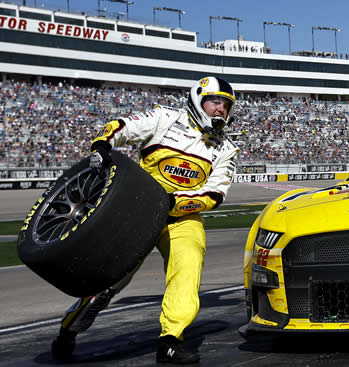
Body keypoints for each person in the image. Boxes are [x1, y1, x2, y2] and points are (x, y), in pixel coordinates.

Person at [51, 76, 240, 364]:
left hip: (182, 216)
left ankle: (170, 341)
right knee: (110, 281)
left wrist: (174, 203)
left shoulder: (226, 148)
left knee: (189, 263)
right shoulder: (164, 118)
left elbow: (215, 194)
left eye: (226, 106)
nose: (220, 110)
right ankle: (68, 330)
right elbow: (122, 127)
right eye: (215, 102)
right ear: (198, 99)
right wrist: (102, 144)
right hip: (139, 209)